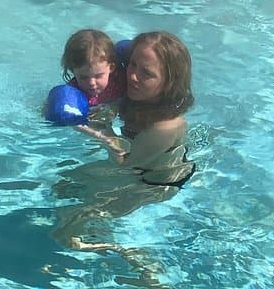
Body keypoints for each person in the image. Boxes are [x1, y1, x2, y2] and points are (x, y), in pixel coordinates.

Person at [57, 31, 196, 253]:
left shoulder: (164, 126)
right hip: (137, 164)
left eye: (146, 73)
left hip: (151, 182)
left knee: (65, 231)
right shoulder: (137, 94)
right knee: (61, 187)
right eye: (132, 64)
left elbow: (125, 166)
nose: (132, 76)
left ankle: (130, 257)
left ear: (169, 82)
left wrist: (98, 133)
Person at [60, 29, 126, 110]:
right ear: (73, 71)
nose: (91, 83)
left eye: (98, 76)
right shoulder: (73, 92)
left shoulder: (119, 79)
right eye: (83, 77)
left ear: (111, 68)